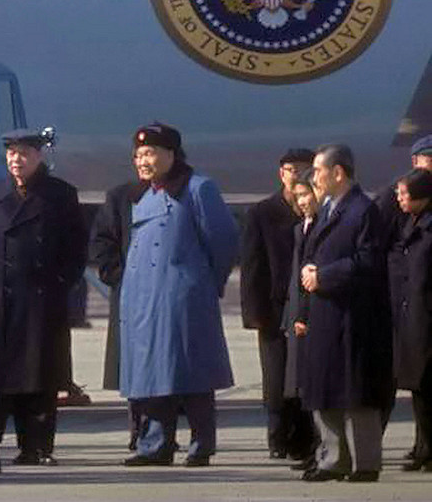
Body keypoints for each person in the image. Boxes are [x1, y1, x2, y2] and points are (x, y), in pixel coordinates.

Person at [119, 122, 238, 468]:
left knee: (193, 371)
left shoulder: (199, 189)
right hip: (144, 303)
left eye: (150, 153)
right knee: (151, 374)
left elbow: (224, 239)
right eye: (138, 155)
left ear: (171, 154)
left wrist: (202, 283)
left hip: (183, 300)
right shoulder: (144, 194)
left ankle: (201, 443)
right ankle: (154, 445)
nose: (142, 161)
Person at [0, 130, 87, 465]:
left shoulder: (60, 195)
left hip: (41, 300)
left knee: (40, 376)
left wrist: (59, 283)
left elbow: (76, 248)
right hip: (1, 300)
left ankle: (37, 446)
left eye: (24, 153)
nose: (17, 159)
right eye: (12, 153)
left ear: (39, 156)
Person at [298, 143, 393, 483]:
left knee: (355, 392)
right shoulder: (328, 209)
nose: (314, 178)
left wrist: (324, 275)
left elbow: (368, 261)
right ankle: (333, 458)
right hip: (325, 312)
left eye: (318, 171)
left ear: (338, 173)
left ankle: (364, 463)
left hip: (353, 316)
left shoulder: (363, 210)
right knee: (324, 388)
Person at [240, 147, 318, 460]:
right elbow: (252, 265)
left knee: (302, 376)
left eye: (303, 169)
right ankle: (277, 437)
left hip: (306, 306)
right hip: (273, 308)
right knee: (275, 377)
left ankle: (304, 437)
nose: (295, 175)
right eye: (290, 169)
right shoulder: (262, 212)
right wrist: (254, 312)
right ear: (280, 173)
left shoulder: (316, 210)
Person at [90, 148, 147, 450]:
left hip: (164, 296)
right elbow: (103, 241)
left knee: (165, 366)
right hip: (129, 295)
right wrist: (118, 277)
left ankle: (164, 433)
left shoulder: (181, 194)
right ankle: (138, 431)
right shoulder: (120, 197)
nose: (144, 163)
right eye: (139, 157)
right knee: (134, 368)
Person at [389, 169, 432, 472]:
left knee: (428, 385)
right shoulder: (410, 223)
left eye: (405, 193)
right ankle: (422, 446)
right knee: (419, 387)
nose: (399, 199)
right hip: (412, 314)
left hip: (427, 315)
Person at [281, 173, 321, 469]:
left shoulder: (323, 228)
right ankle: (313, 449)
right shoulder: (299, 229)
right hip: (298, 316)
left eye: (307, 194)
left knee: (316, 386)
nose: (303, 201)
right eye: (298, 197)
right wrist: (291, 316)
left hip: (314, 317)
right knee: (300, 388)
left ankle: (322, 450)